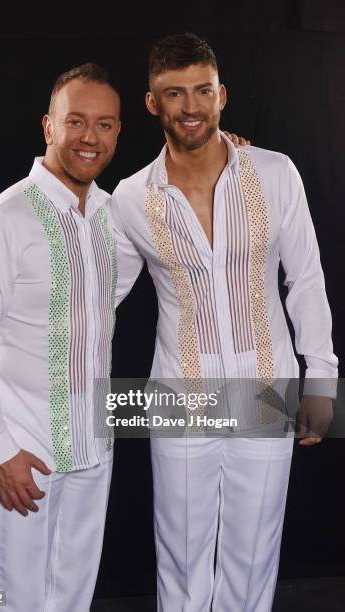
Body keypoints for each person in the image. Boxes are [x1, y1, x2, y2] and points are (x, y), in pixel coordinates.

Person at [110, 33, 338, 611]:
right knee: (181, 556)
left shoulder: (276, 172)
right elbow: (99, 295)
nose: (191, 106)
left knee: (253, 556)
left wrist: (322, 378)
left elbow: (306, 278)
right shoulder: (131, 197)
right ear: (152, 103)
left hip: (267, 384)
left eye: (202, 91)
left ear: (222, 95)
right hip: (178, 392)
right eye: (175, 93)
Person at [0, 63, 121, 612]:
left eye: (105, 124)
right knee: (14, 596)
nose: (90, 137)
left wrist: (228, 153)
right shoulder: (2, 219)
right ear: (49, 127)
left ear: (118, 132)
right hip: (25, 450)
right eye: (76, 121)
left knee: (73, 593)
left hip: (94, 446)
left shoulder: (113, 217)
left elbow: (104, 300)